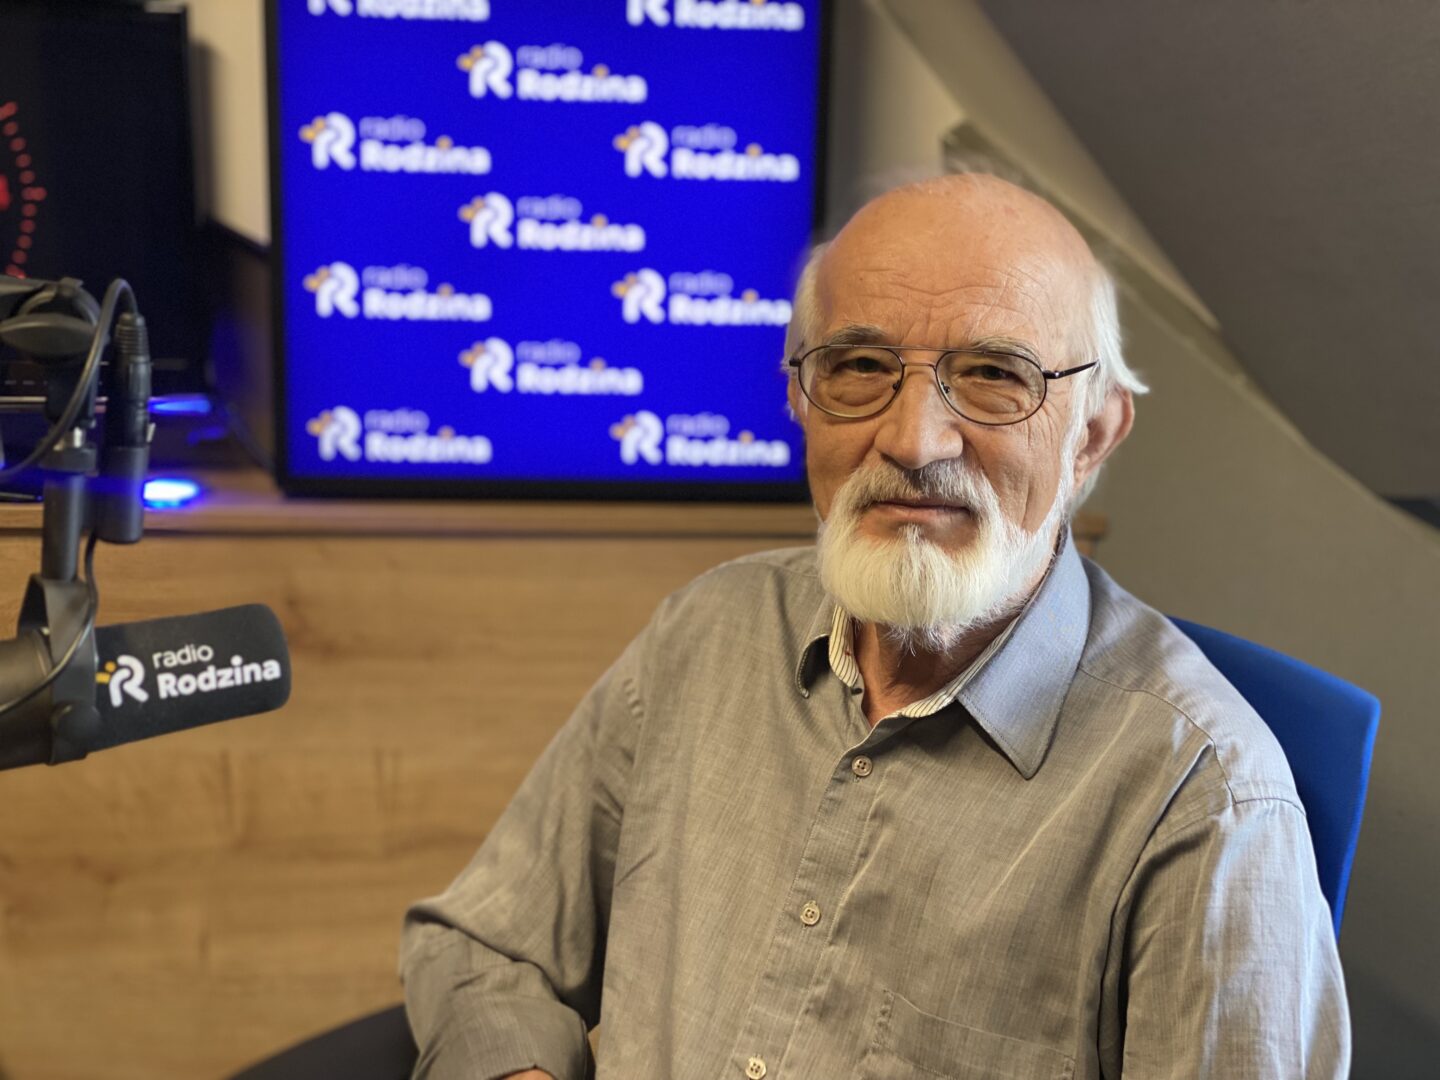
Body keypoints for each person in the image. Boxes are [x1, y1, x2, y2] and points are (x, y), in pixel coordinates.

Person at [400, 174, 1349, 1079]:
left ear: (1092, 435)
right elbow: (487, 946)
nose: (912, 440)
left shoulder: (1207, 803)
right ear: (798, 399)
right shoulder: (708, 633)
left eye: (993, 375)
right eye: (860, 367)